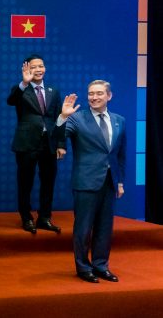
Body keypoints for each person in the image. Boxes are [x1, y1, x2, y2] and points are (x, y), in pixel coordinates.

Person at [54, 80, 126, 283]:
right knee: (83, 228)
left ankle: (101, 265)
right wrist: (62, 118)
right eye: (91, 93)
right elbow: (56, 137)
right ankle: (83, 268)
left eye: (99, 93)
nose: (94, 97)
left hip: (110, 182)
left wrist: (120, 181)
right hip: (86, 182)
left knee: (104, 228)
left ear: (109, 96)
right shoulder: (77, 119)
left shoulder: (119, 120)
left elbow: (120, 155)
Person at [7, 54, 64, 234]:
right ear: (27, 70)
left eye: (41, 66)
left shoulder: (53, 91)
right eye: (34, 67)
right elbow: (11, 101)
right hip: (26, 143)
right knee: (25, 183)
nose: (38, 70)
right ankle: (26, 218)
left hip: (49, 143)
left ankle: (45, 217)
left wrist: (61, 144)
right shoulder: (21, 89)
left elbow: (59, 118)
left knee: (48, 182)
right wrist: (24, 83)